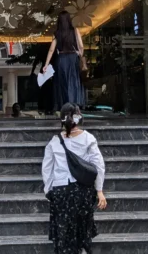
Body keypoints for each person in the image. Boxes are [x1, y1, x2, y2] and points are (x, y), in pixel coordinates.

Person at [42, 103, 107, 254]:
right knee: (82, 231)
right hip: (82, 191)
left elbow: (47, 168)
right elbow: (98, 165)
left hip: (61, 191)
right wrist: (99, 190)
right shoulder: (88, 138)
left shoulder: (54, 141)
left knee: (63, 233)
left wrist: (48, 190)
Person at [42, 10, 86, 111]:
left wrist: (46, 64)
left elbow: (51, 50)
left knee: (62, 83)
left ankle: (64, 105)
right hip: (73, 58)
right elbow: (81, 46)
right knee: (73, 82)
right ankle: (75, 104)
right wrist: (80, 54)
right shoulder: (75, 30)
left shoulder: (57, 33)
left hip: (61, 60)